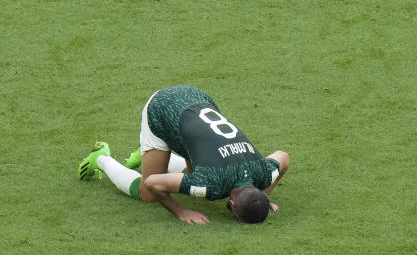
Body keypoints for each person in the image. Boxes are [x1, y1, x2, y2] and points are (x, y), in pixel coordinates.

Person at [78, 85, 290, 224]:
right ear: (232, 205)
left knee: (192, 171)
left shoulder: (262, 171)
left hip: (197, 97)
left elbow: (283, 157)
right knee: (147, 194)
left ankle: (152, 153)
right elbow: (153, 182)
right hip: (162, 108)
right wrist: (180, 212)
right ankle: (102, 158)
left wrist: (262, 197)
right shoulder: (211, 183)